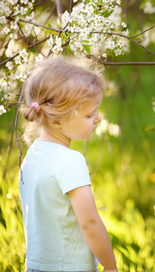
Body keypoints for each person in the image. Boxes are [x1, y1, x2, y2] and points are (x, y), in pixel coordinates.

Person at [19, 56, 118, 272]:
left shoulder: (33, 155)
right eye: (89, 114)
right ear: (57, 121)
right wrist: (110, 267)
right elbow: (89, 222)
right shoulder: (70, 160)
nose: (98, 118)